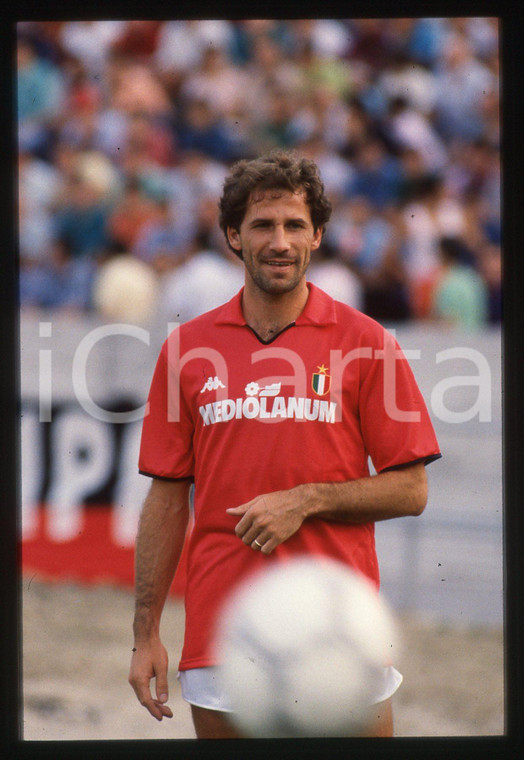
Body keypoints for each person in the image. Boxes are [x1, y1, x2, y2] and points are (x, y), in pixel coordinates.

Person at [128, 150, 441, 738]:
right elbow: (167, 499)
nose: (280, 241)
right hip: (224, 634)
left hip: (339, 630)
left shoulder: (366, 342)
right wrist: (145, 633)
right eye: (263, 225)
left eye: (295, 225)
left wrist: (305, 499)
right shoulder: (186, 351)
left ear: (318, 235)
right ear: (232, 236)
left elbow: (412, 488)